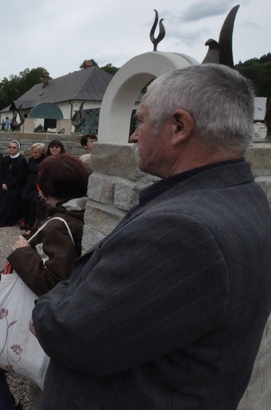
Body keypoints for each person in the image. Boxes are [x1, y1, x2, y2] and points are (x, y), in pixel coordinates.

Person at [33, 64, 271, 409]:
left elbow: (69, 333)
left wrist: (45, 309)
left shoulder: (183, 229)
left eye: (140, 120)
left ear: (178, 127)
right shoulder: (245, 200)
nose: (132, 135)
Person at [0, 153, 89, 410]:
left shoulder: (60, 224)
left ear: (45, 187)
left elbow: (54, 282)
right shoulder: (75, 211)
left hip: (40, 311)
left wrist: (23, 250)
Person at [0, 140, 29, 227]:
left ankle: (5, 221)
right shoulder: (6, 159)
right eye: (10, 147)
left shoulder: (21, 160)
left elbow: (21, 176)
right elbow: (1, 172)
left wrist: (9, 185)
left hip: (15, 186)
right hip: (4, 185)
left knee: (7, 199)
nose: (12, 149)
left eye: (14, 147)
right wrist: (3, 183)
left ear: (18, 149)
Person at [20, 142, 46, 234]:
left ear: (42, 152)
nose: (34, 154)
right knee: (23, 198)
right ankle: (24, 219)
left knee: (33, 202)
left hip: (38, 185)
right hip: (29, 183)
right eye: (33, 152)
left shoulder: (45, 161)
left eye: (36, 153)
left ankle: (31, 224)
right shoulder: (31, 159)